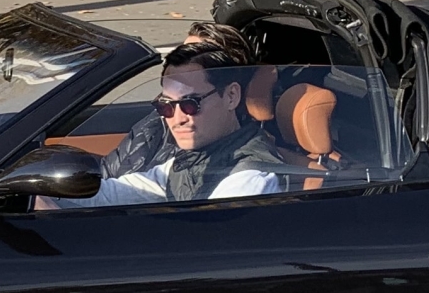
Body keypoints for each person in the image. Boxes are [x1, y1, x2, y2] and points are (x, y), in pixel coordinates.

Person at [86, 44, 285, 204]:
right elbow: (112, 195)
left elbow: (208, 242)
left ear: (231, 96)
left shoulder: (250, 179)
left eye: (191, 104)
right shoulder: (194, 159)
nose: (178, 118)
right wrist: (57, 196)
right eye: (166, 106)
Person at [103, 22, 255, 179]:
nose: (178, 117)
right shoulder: (158, 119)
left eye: (202, 57)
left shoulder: (244, 168)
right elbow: (109, 174)